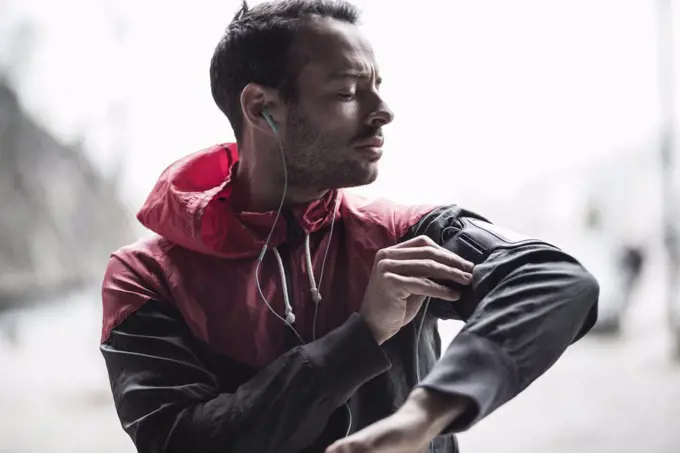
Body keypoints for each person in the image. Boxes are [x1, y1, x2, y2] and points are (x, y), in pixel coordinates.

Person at [100, 1, 599, 452]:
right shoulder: (145, 277)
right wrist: (361, 337)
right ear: (261, 108)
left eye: (376, 87)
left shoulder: (401, 231)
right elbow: (180, 442)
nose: (382, 112)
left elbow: (555, 281)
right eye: (347, 92)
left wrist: (421, 417)